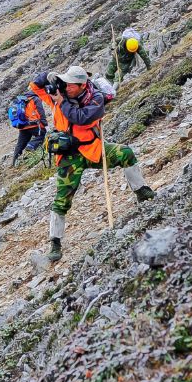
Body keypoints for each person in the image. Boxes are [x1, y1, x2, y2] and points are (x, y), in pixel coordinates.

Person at [30, 65, 154, 261]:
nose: (66, 87)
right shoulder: (58, 94)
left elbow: (81, 118)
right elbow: (35, 87)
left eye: (71, 85)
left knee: (125, 153)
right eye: (65, 83)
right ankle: (55, 242)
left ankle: (141, 191)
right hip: (68, 156)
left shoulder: (95, 99)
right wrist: (48, 75)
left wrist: (62, 102)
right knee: (62, 199)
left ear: (82, 85)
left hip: (92, 150)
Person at [9, 92, 47, 166]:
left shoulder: (21, 100)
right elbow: (40, 112)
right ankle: (31, 146)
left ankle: (14, 162)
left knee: (20, 144)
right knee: (42, 135)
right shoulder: (35, 99)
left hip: (22, 126)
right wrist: (44, 123)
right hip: (34, 124)